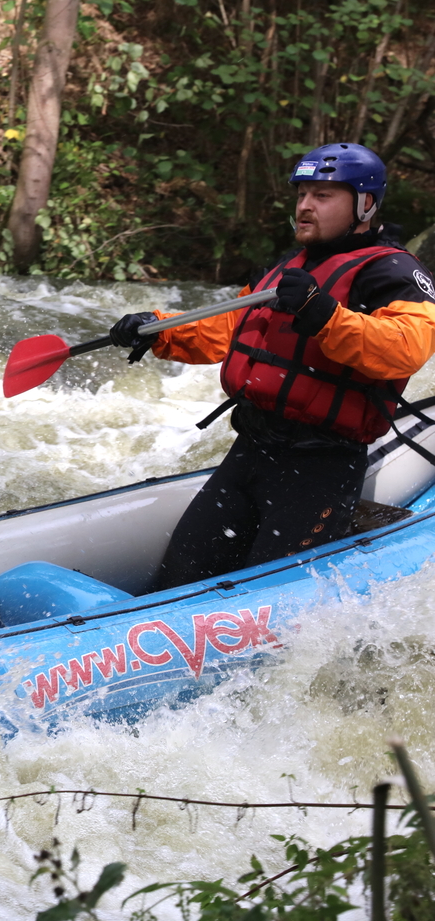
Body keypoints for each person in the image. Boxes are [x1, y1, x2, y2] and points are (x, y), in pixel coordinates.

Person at [108, 142, 435, 590]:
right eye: (301, 194)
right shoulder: (285, 266)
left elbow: (406, 348)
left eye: (322, 196)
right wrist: (160, 330)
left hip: (321, 466)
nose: (305, 206)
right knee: (176, 580)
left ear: (365, 204)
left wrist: (324, 315)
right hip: (251, 452)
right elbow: (226, 328)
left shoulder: (392, 271)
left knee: (268, 595)